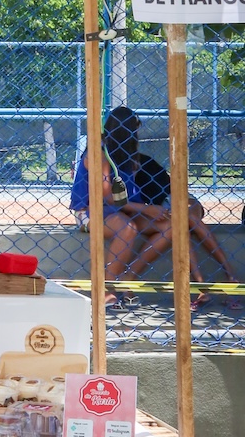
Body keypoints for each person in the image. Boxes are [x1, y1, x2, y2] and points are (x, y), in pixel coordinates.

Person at [70, 106, 237, 304]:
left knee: (173, 226)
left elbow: (124, 197)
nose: (136, 136)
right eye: (133, 130)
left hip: (123, 210)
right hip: (92, 211)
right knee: (127, 228)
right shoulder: (99, 152)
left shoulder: (127, 155)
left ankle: (128, 278)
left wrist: (144, 208)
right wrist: (146, 208)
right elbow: (107, 198)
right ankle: (107, 287)